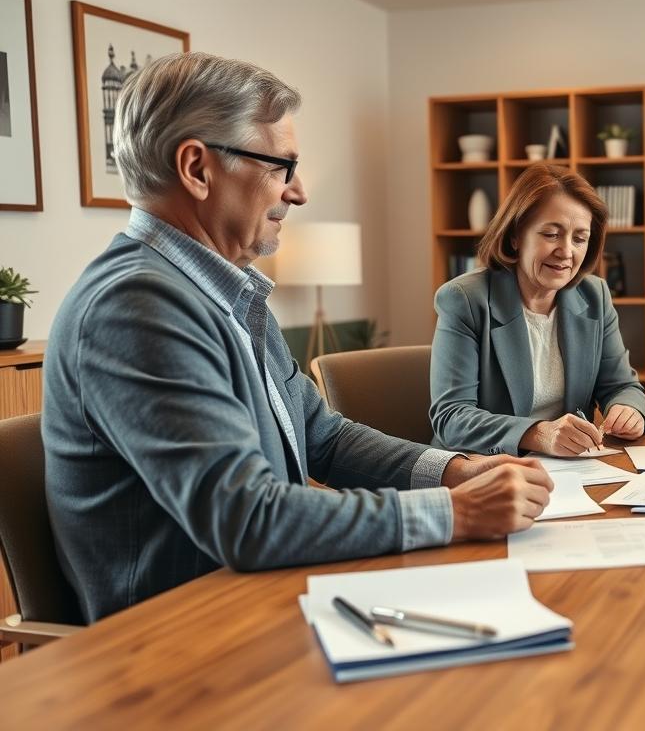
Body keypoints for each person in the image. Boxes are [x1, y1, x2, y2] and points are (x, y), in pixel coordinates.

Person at [43, 53, 554, 623]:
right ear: (197, 168)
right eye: (281, 166)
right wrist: (455, 513)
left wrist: (457, 471)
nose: (299, 191)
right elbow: (248, 519)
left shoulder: (220, 290)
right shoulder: (137, 308)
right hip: (180, 643)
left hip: (259, 602)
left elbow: (322, 437)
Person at [430, 164, 645, 457]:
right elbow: (451, 417)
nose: (566, 251)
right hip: (482, 468)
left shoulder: (594, 295)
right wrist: (538, 434)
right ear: (515, 236)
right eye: (551, 234)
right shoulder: (465, 299)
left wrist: (628, 409)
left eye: (579, 238)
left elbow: (622, 385)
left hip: (568, 469)